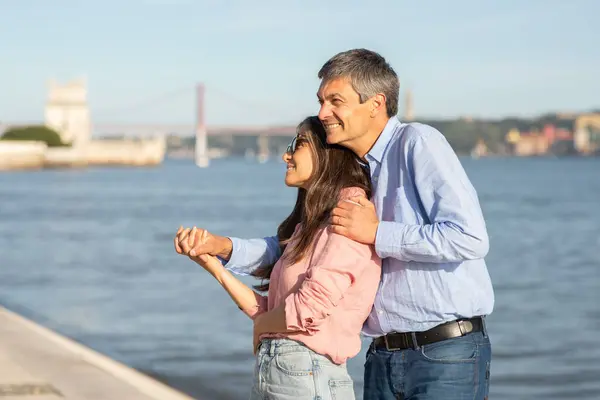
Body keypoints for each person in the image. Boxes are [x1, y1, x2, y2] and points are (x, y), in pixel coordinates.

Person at [185, 49, 495, 400]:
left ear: (375, 103)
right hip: (382, 355)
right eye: (321, 101)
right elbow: (297, 250)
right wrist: (224, 248)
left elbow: (469, 238)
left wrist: (378, 233)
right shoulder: (352, 172)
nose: (322, 113)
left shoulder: (417, 144)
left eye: (335, 101)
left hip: (444, 353)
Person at [175, 116, 381, 400]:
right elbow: (271, 313)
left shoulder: (349, 214)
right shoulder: (308, 227)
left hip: (309, 375)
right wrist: (213, 265)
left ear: (327, 153)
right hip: (280, 371)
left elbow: (306, 309)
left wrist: (263, 326)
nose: (287, 154)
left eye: (298, 144)